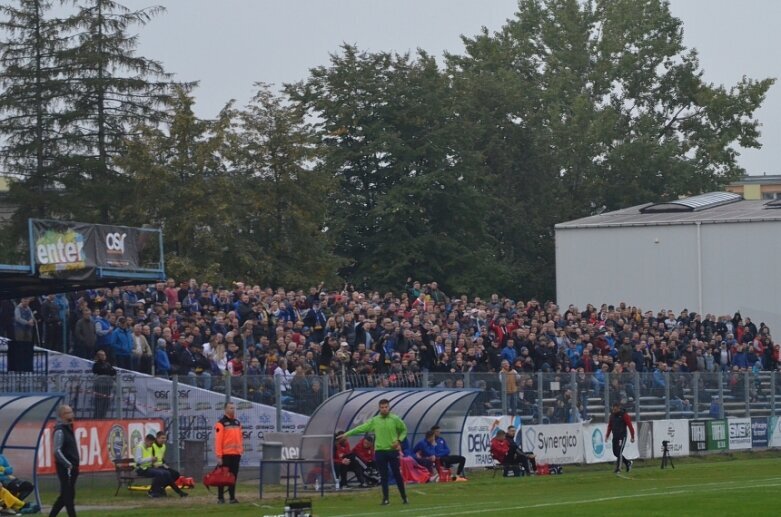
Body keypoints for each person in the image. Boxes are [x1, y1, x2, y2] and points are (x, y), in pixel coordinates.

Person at [337, 399, 408, 506]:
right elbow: (361, 428)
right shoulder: (375, 420)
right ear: (379, 408)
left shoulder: (395, 419)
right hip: (380, 452)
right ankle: (385, 499)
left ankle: (404, 497)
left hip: (392, 451)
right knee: (383, 476)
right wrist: (347, 434)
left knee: (397, 474)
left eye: (386, 407)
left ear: (389, 407)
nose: (384, 409)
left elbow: (404, 430)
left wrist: (399, 441)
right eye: (382, 407)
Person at [49, 405, 79, 517]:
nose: (71, 415)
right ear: (61, 416)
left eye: (71, 412)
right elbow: (57, 451)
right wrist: (68, 465)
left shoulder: (69, 429)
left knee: (65, 496)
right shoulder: (60, 431)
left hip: (73, 467)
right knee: (68, 497)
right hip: (66, 468)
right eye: (67, 413)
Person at [214, 402, 243, 504]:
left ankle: (232, 498)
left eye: (233, 408)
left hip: (236, 454)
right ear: (225, 409)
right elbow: (218, 441)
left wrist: (240, 451)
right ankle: (220, 498)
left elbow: (240, 438)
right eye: (230, 408)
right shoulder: (221, 423)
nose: (232, 410)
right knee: (222, 477)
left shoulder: (237, 422)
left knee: (233, 477)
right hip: (226, 455)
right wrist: (219, 456)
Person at [151, 432, 188, 497]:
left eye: (165, 438)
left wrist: (165, 464)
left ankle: (160, 488)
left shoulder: (164, 446)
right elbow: (151, 458)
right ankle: (180, 493)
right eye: (162, 438)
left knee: (176, 474)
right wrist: (155, 464)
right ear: (157, 438)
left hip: (161, 465)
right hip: (154, 466)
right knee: (168, 475)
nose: (164, 440)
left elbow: (161, 458)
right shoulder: (152, 446)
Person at [134, 434, 171, 498]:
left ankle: (160, 490)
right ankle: (152, 491)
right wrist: (150, 459)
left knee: (165, 473)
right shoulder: (139, 447)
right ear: (146, 440)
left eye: (152, 443)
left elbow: (148, 459)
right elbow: (138, 460)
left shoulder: (149, 447)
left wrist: (153, 461)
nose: (151, 445)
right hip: (141, 469)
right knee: (159, 473)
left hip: (148, 467)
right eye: (151, 443)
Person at [605, 402, 635, 474]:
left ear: (618, 408)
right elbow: (610, 426)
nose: (614, 410)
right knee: (615, 453)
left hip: (622, 436)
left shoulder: (624, 415)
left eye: (615, 409)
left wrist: (632, 436)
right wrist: (607, 435)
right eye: (613, 409)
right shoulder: (612, 416)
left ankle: (618, 468)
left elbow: (630, 426)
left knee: (619, 451)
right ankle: (628, 463)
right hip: (615, 436)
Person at [91, 350, 116, 419]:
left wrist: (109, 371)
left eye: (104, 355)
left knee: (106, 403)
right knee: (99, 403)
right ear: (98, 356)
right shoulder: (96, 364)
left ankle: (103, 417)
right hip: (99, 386)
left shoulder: (107, 364)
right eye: (102, 355)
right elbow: (97, 371)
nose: (104, 356)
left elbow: (113, 371)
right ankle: (97, 418)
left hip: (107, 385)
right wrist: (107, 371)